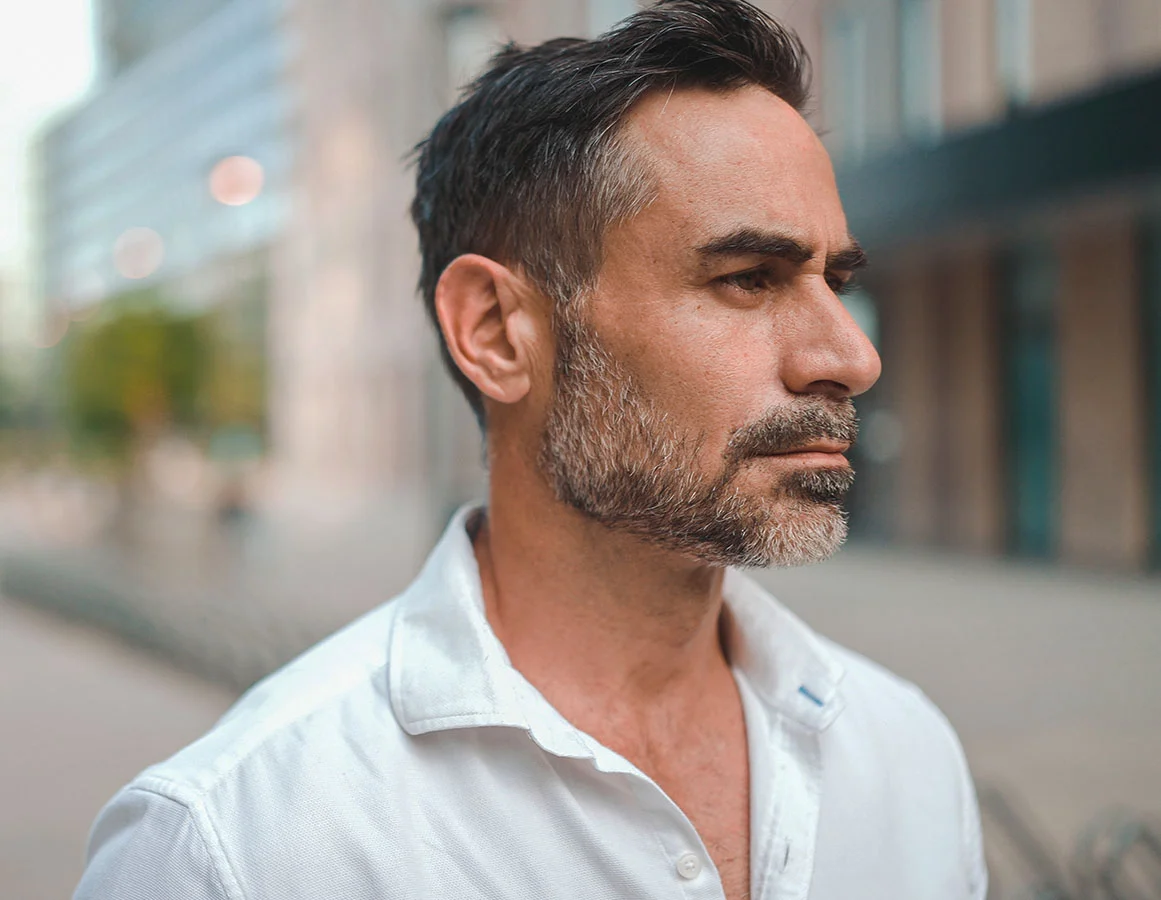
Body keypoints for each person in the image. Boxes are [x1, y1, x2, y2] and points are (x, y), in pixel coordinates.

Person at [75, 2, 987, 898]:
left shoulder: (904, 754)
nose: (853, 358)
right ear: (499, 333)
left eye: (835, 280)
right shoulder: (233, 845)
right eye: (747, 278)